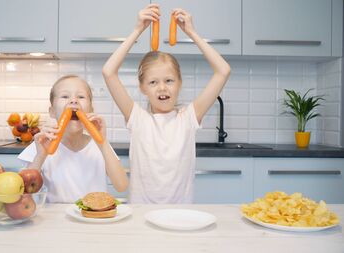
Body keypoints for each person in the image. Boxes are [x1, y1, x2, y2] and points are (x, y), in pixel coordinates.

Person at [102, 4, 231, 204]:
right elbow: (108, 71)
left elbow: (223, 70)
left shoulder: (189, 118)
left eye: (169, 80)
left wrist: (191, 32)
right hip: (141, 216)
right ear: (143, 88)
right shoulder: (137, 118)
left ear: (179, 84)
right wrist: (138, 30)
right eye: (153, 82)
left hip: (180, 217)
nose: (162, 88)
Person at [18, 75, 129, 203]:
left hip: (94, 217)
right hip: (56, 219)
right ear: (52, 111)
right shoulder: (41, 145)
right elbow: (22, 191)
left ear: (91, 110)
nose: (73, 101)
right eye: (65, 96)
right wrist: (41, 156)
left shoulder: (99, 145)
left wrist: (103, 143)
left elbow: (122, 185)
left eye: (81, 97)